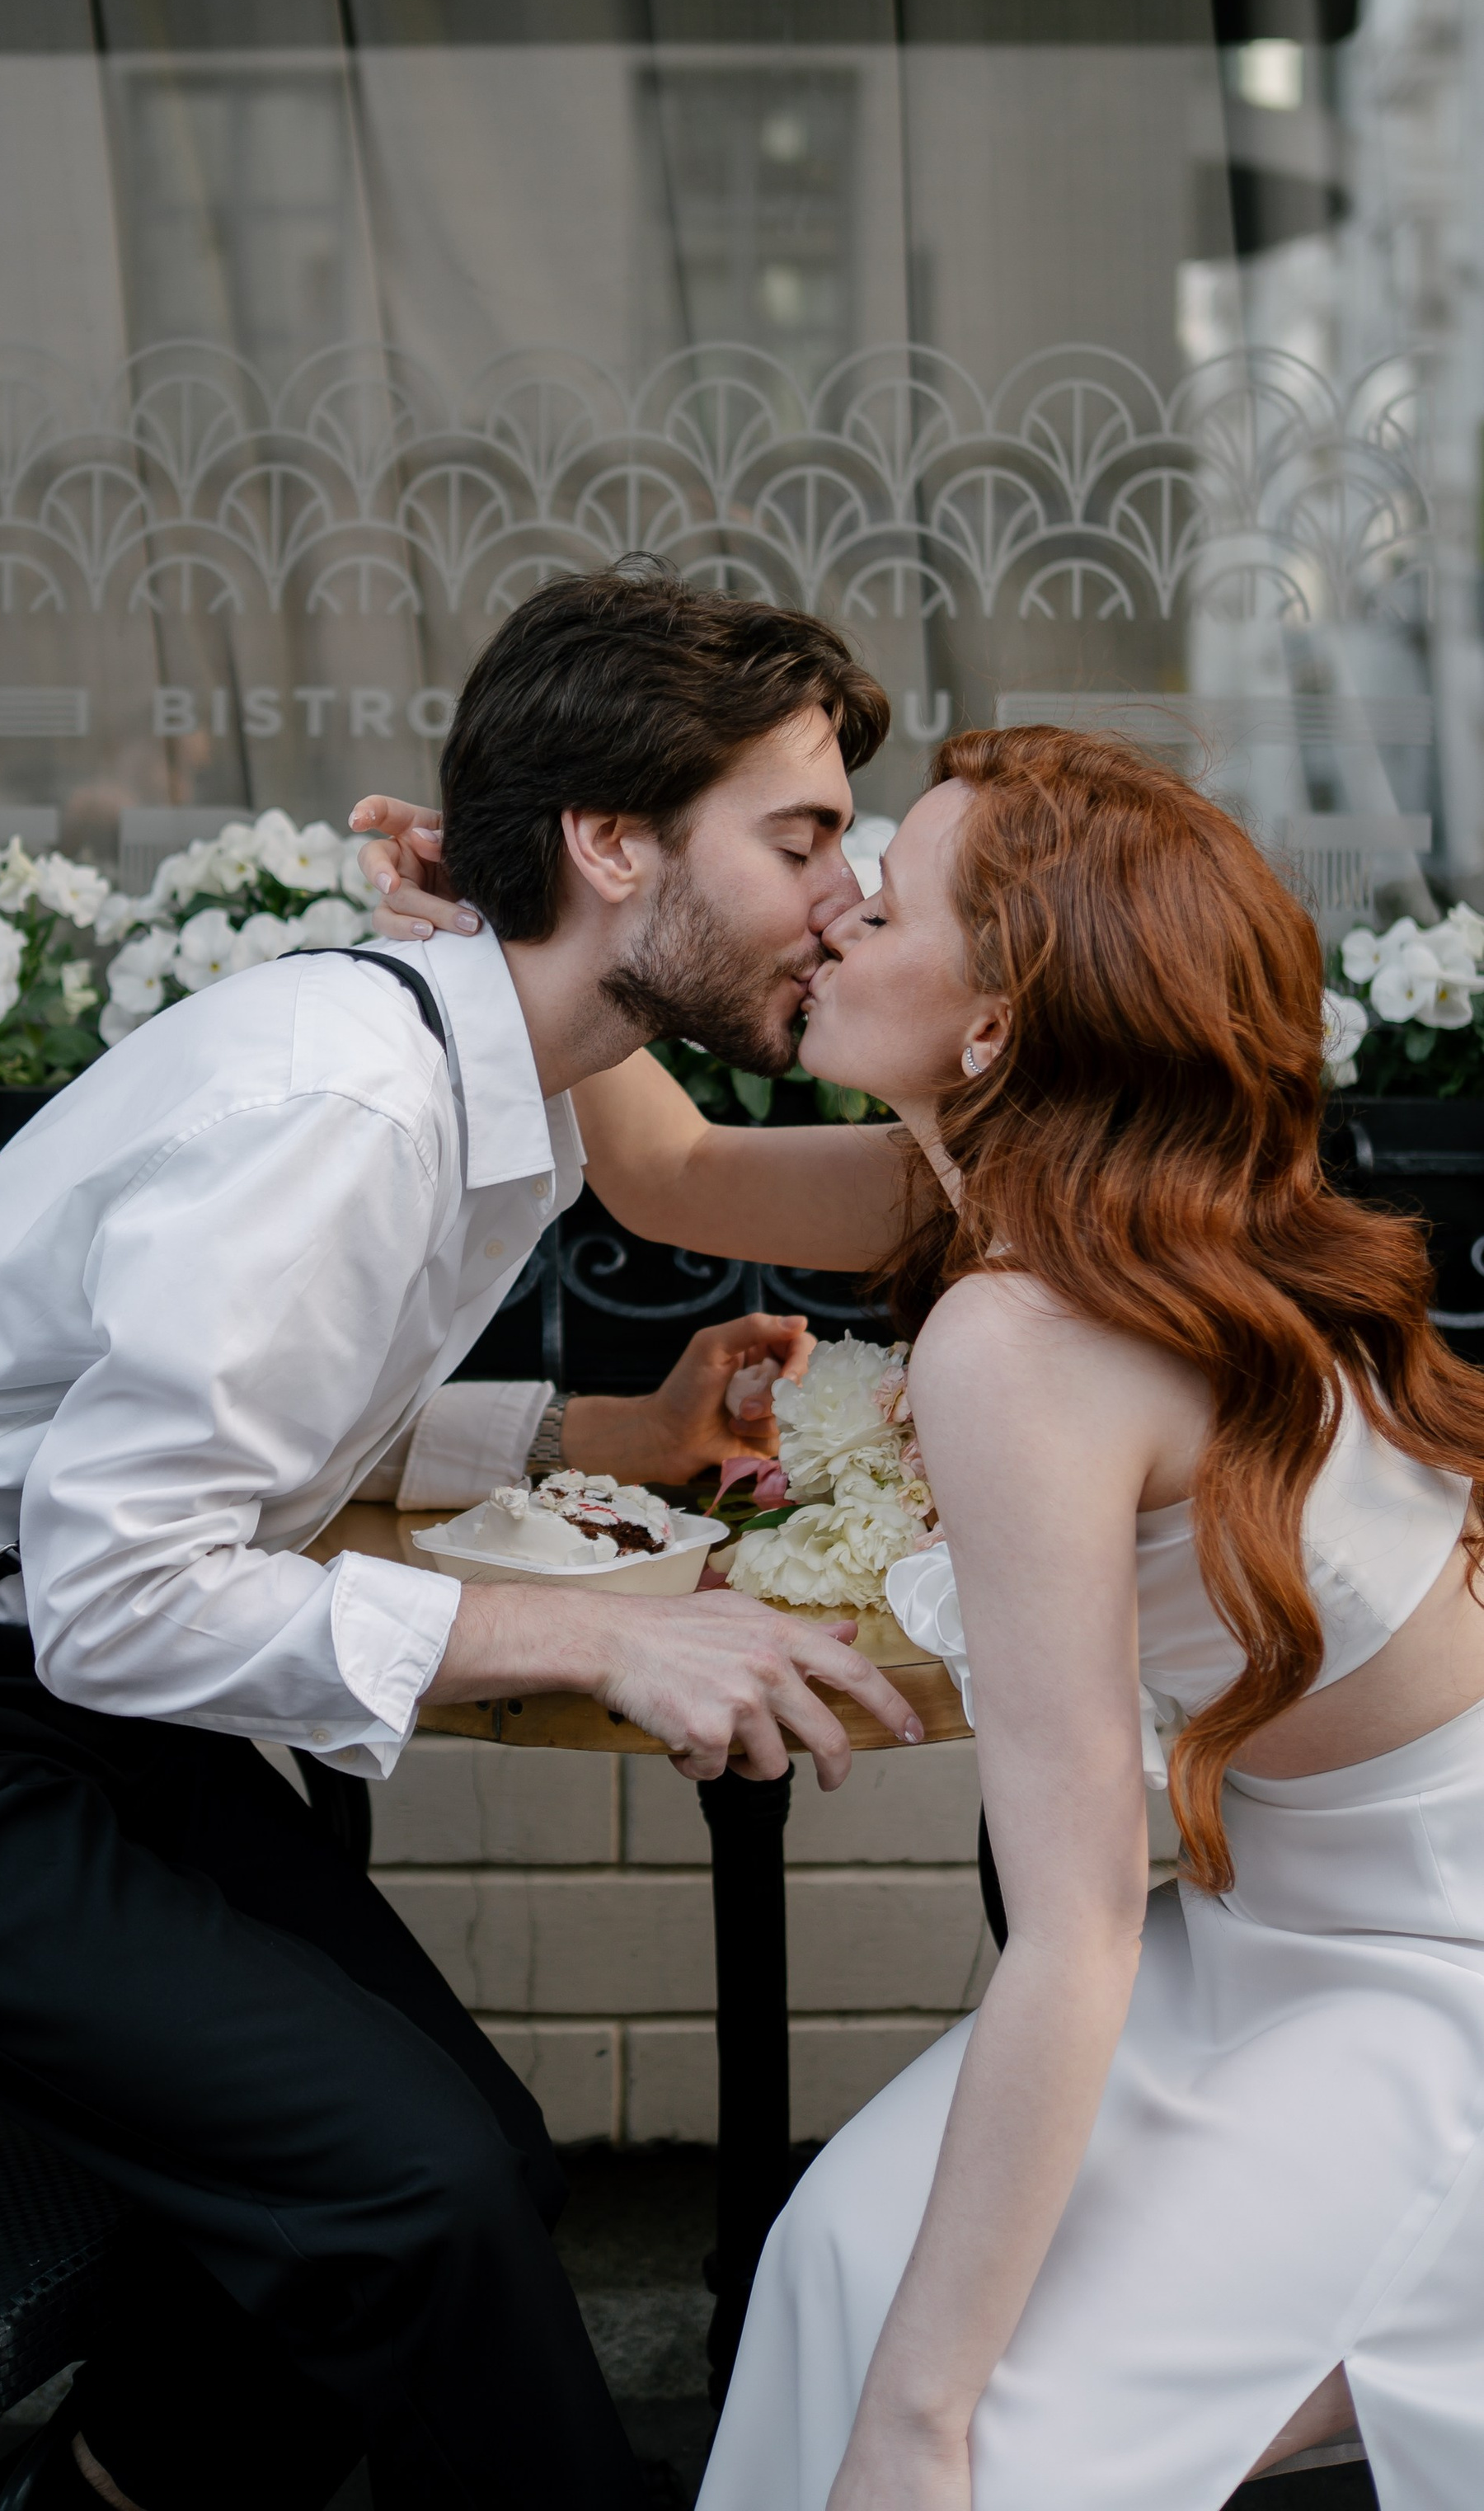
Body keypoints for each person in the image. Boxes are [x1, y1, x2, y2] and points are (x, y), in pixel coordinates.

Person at [0, 565, 923, 2511]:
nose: (844, 893)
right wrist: (605, 1638)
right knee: (421, 2190)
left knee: (471, 2161)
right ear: (609, 843)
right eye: (801, 840)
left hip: (22, 1672)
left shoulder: (487, 1078)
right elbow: (122, 1594)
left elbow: (262, 1422)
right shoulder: (349, 1105)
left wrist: (604, 1433)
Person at [383, 725, 1484, 2510]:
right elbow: (673, 1175)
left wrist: (920, 2426)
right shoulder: (1048, 1198)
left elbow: (1073, 1928)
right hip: (1267, 1918)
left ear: (993, 1026)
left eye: (882, 905)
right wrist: (526, 915)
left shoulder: (1026, 1334)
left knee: (998, 2443)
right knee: (834, 2259)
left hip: (1435, 1972)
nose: (829, 914)